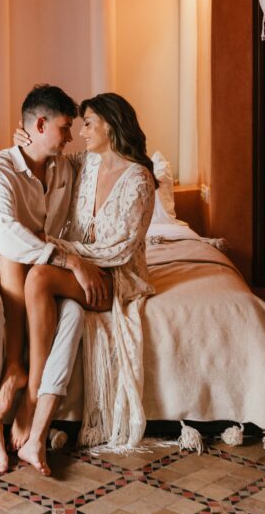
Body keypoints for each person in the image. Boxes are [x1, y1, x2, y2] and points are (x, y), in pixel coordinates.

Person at [8, 92, 157, 475]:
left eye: (88, 123)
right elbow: (49, 156)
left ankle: (29, 395)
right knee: (55, 296)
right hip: (83, 271)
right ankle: (38, 429)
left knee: (40, 273)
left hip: (117, 275)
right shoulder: (85, 163)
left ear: (110, 124)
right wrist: (22, 140)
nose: (81, 132)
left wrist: (71, 259)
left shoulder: (139, 178)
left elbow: (122, 248)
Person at [0, 84, 86, 474]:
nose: (71, 136)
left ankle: (36, 405)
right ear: (40, 124)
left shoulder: (65, 168)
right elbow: (7, 235)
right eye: (64, 128)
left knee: (72, 313)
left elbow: (108, 156)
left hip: (33, 268)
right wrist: (68, 258)